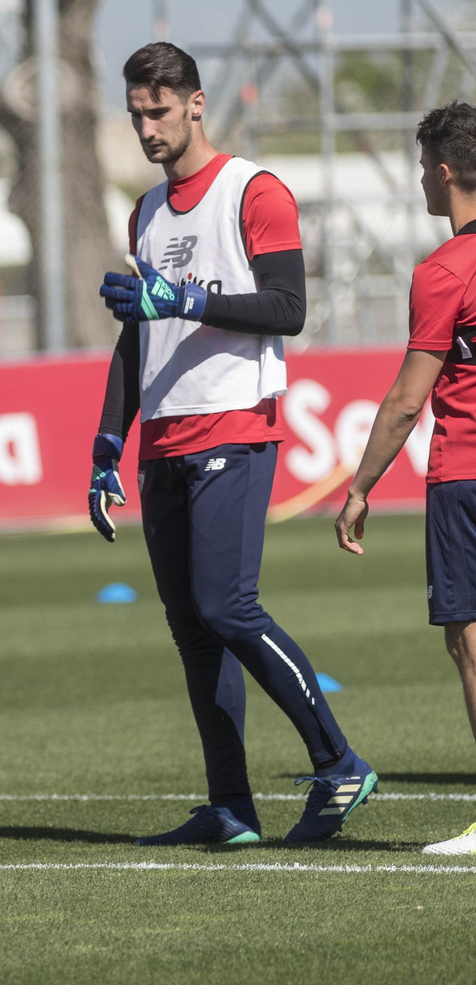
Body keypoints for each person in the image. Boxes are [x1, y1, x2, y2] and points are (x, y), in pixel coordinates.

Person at [92, 42, 374, 845]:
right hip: (161, 438)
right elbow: (133, 337)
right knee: (192, 629)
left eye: (158, 110)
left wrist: (183, 295)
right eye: (136, 113)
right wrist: (107, 444)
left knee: (227, 604)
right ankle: (231, 808)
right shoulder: (146, 211)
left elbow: (288, 308)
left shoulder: (254, 190)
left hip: (235, 424)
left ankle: (338, 761)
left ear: (195, 103)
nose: (146, 127)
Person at [335, 101, 476, 855]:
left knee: (471, 642)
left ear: (445, 170)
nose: (422, 178)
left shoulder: (445, 269)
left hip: (466, 474)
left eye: (425, 166)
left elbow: (404, 402)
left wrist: (359, 488)